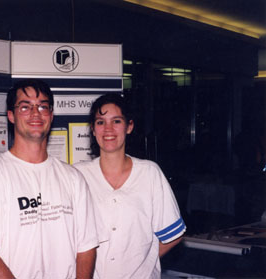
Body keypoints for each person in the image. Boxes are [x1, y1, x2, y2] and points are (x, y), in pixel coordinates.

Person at [0, 79, 98, 279]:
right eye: (25, 107)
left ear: (51, 115)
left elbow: (86, 247)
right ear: (11, 116)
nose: (35, 113)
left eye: (42, 106)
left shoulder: (73, 179)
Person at [74, 93, 186, 278]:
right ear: (93, 130)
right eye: (101, 122)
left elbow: (172, 236)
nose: (108, 129)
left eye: (116, 121)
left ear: (129, 126)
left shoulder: (149, 173)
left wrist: (141, 266)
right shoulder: (77, 175)